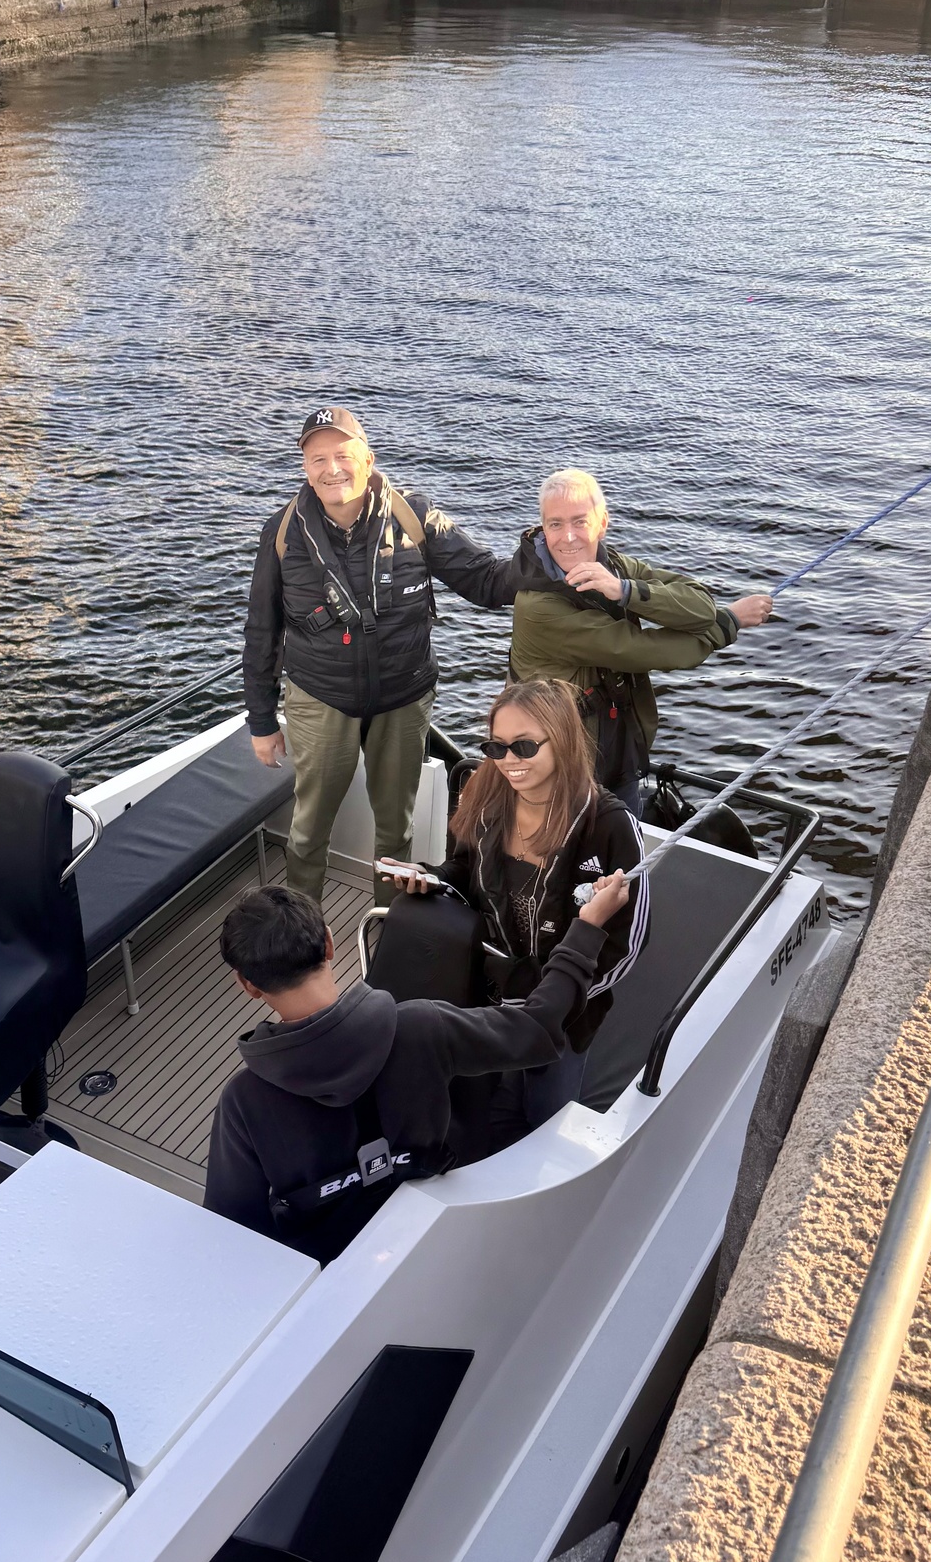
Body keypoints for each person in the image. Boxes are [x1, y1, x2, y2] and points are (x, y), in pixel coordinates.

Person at [204, 872, 629, 1262]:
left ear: (249, 986)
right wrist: (587, 927)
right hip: (433, 1234)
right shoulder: (423, 1027)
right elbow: (537, 1028)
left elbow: (232, 1233)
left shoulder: (243, 1102)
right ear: (330, 944)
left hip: (326, 1270)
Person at [243, 407, 516, 905]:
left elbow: (488, 580)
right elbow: (262, 630)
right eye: (317, 458)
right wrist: (262, 721)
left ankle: (391, 928)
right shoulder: (281, 533)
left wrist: (554, 554)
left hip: (402, 697)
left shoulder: (415, 516)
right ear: (305, 467)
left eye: (343, 455)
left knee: (396, 830)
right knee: (308, 830)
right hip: (320, 698)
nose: (332, 469)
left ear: (367, 459)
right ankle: (304, 930)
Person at [387, 679, 646, 1139]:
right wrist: (432, 880)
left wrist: (553, 998)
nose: (509, 762)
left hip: (564, 1018)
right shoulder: (486, 801)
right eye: (496, 747)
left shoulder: (609, 827)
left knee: (544, 1117)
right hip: (484, 997)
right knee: (476, 1102)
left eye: (524, 747)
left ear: (562, 739)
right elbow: (464, 869)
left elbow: (627, 945)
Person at [508, 469, 774, 813]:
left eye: (580, 521)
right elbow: (646, 650)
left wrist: (624, 591)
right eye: (555, 524)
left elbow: (699, 605)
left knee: (625, 854)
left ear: (602, 523)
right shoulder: (538, 607)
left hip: (615, 754)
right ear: (543, 528)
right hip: (563, 771)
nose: (568, 536)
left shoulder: (612, 566)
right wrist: (731, 621)